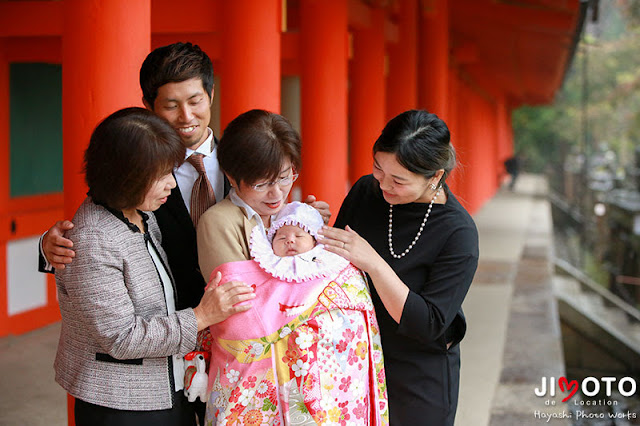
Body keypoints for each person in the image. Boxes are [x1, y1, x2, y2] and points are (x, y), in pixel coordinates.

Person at [38, 42, 329, 421]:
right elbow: (99, 230)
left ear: (211, 94)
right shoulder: (137, 166)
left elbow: (279, 232)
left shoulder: (247, 159)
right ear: (149, 106)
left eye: (195, 101)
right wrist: (49, 246)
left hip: (238, 346)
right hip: (160, 357)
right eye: (170, 105)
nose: (186, 116)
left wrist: (301, 221)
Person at [54, 107, 252, 426]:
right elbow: (122, 338)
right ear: (125, 176)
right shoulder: (94, 238)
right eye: (160, 176)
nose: (170, 185)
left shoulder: (140, 214)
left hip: (166, 385)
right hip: (121, 403)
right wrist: (202, 316)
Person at [319, 110, 479, 425]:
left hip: (417, 375)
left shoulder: (458, 233)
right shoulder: (367, 191)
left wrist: (374, 264)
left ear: (435, 176)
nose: (384, 185)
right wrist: (307, 229)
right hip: (354, 359)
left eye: (399, 180)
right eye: (379, 169)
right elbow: (334, 269)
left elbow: (428, 324)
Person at [204, 202, 389, 425]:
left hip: (324, 372)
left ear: (315, 241)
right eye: (281, 237)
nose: (290, 240)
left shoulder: (338, 270)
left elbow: (353, 326)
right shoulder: (259, 274)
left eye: (299, 235)